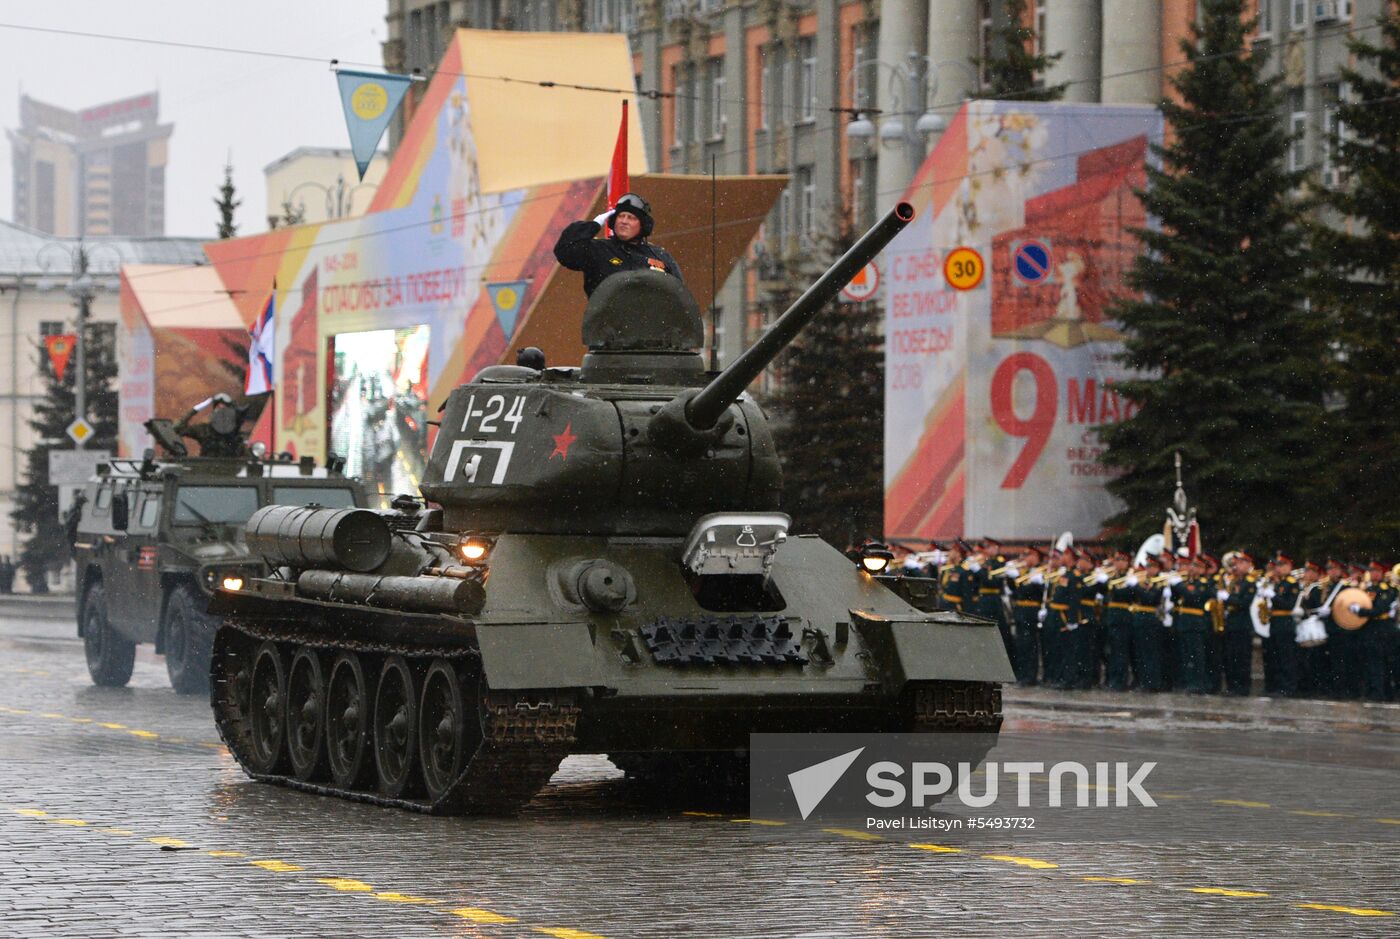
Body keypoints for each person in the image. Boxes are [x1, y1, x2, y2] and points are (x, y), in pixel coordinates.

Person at [552, 192, 683, 297]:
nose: (624, 221)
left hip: (653, 326)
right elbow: (565, 251)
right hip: (608, 326)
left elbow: (679, 295)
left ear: (643, 226)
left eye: (631, 218)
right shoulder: (599, 249)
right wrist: (594, 225)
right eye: (621, 216)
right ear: (613, 220)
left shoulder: (660, 256)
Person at [1260, 554, 1301, 696]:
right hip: (1275, 623)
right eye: (1277, 565)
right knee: (1276, 657)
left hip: (1285, 623)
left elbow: (1289, 605)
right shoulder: (1278, 583)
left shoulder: (1292, 583)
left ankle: (1288, 688)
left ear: (1289, 567)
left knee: (1286, 658)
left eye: (1282, 565)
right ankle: (1278, 686)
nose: (1278, 568)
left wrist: (1273, 596)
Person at [1219, 552, 1259, 696]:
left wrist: (1228, 598)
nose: (1237, 566)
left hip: (1242, 625)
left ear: (1248, 565)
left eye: (1241, 563)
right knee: (1230, 657)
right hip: (1229, 624)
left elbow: (1244, 603)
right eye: (1236, 563)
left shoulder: (1250, 582)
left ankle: (1242, 688)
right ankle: (1231, 686)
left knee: (1242, 658)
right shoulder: (1233, 580)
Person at [174, 393, 251, 458]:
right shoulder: (204, 430)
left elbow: (248, 459)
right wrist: (194, 410)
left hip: (230, 472)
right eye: (218, 408)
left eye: (224, 409)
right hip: (206, 470)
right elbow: (178, 428)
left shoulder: (236, 434)